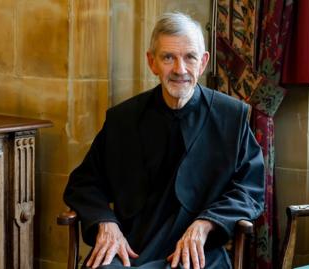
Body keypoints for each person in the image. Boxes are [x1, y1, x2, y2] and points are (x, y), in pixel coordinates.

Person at [64, 12, 265, 269]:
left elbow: (250, 189)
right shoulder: (123, 119)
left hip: (197, 250)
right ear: (152, 62)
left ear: (203, 62)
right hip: (130, 247)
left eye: (189, 57)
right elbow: (84, 183)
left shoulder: (231, 118)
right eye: (168, 57)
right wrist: (106, 221)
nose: (180, 69)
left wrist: (207, 223)